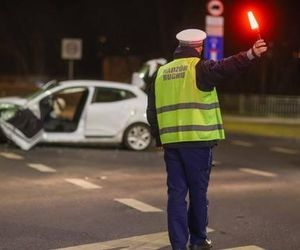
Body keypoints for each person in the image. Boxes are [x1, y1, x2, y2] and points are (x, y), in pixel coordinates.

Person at [146, 29, 267, 250]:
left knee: (176, 194)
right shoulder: (200, 68)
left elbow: (151, 111)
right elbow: (226, 67)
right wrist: (250, 54)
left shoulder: (161, 73)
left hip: (171, 143)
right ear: (199, 47)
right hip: (198, 142)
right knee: (198, 192)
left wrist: (159, 137)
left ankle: (178, 245)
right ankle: (199, 240)